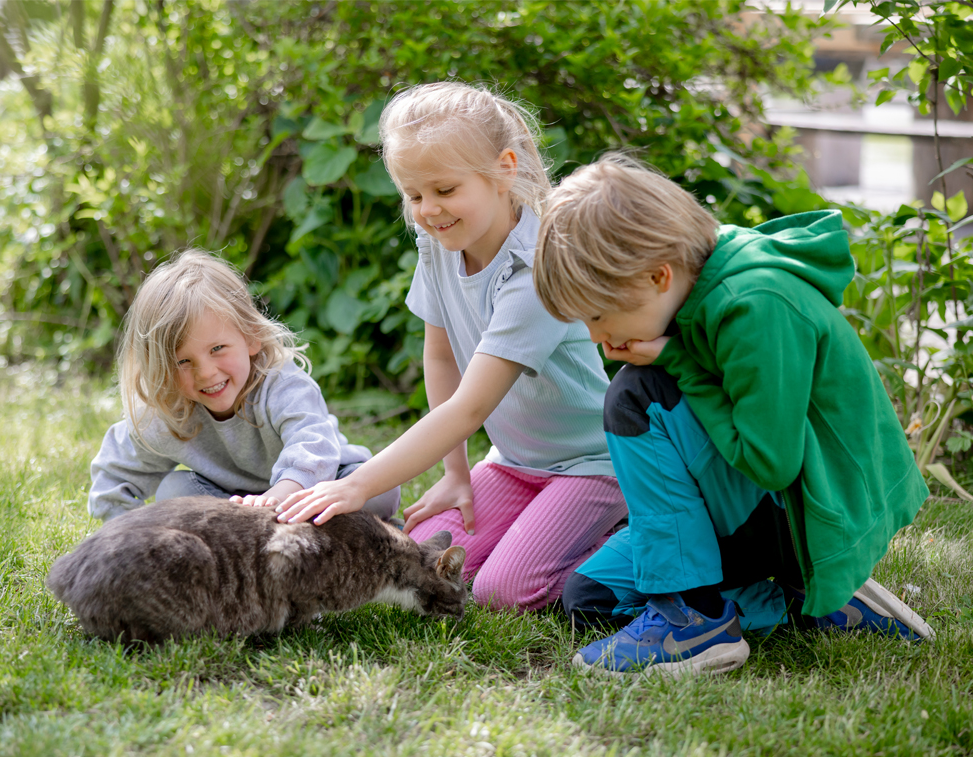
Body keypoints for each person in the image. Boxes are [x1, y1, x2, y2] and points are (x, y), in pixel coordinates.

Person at [532, 155, 934, 678]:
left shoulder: (755, 303)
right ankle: (809, 600)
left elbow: (771, 463)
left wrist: (675, 359)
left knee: (635, 395)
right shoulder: (698, 287)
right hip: (767, 509)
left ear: (657, 275)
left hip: (806, 510)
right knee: (588, 599)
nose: (596, 338)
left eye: (597, 315)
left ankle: (695, 621)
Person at [277, 82, 627, 611]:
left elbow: (470, 406)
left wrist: (358, 486)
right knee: (424, 558)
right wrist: (455, 473)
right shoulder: (441, 246)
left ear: (504, 168)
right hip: (514, 462)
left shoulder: (536, 270)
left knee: (500, 591)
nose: (428, 210)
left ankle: (618, 541)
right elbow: (440, 357)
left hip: (591, 464)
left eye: (444, 190)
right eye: (414, 196)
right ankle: (541, 531)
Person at [88, 250, 399, 521]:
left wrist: (278, 498)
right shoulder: (168, 412)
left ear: (251, 336)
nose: (206, 373)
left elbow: (313, 447)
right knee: (174, 492)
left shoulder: (283, 385)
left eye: (217, 349)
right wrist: (127, 535)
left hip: (313, 490)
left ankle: (302, 538)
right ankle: (250, 541)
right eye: (183, 362)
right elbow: (116, 476)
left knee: (378, 490)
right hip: (232, 507)